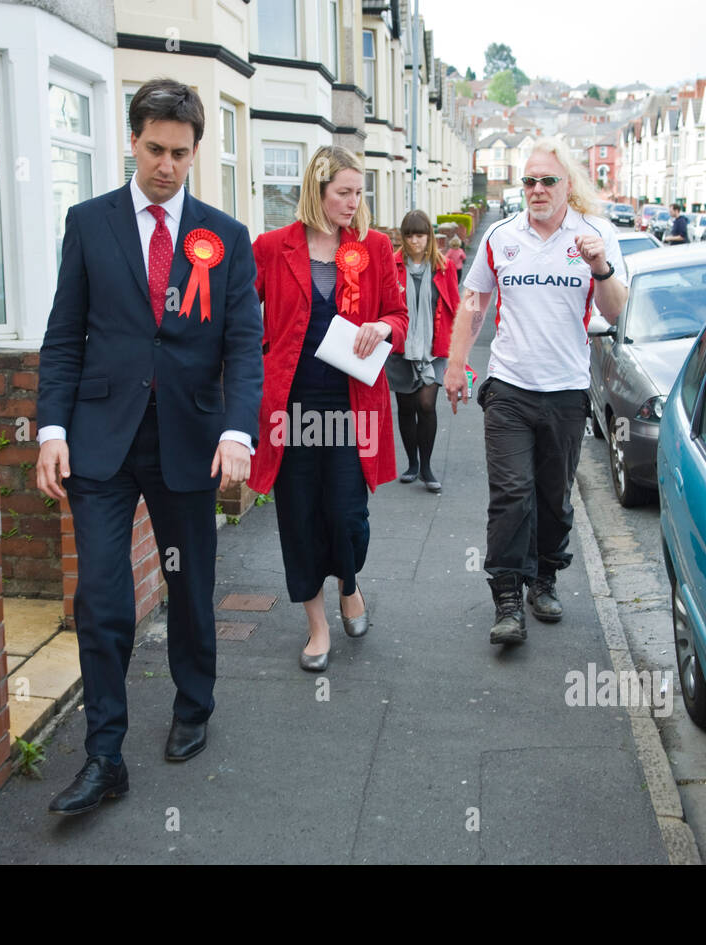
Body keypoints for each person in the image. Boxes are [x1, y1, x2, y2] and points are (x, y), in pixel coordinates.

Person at [35, 78, 263, 814]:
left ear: (197, 152)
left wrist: (236, 430)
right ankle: (105, 755)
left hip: (190, 441)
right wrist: (51, 429)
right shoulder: (89, 223)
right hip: (101, 441)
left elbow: (243, 344)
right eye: (155, 148)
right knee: (102, 597)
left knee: (190, 585)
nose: (167, 164)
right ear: (132, 141)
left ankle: (193, 703)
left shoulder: (224, 237)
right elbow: (64, 335)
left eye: (181, 152)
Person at [444, 138, 628, 646]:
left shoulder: (595, 236)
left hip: (567, 391)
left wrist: (600, 267)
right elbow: (474, 303)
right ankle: (506, 597)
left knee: (552, 498)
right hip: (509, 388)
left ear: (569, 185)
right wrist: (456, 365)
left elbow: (616, 312)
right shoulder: (502, 237)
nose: (538, 189)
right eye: (529, 181)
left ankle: (543, 579)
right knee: (511, 496)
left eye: (548, 180)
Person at [249, 145, 408, 672]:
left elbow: (398, 315)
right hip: (289, 411)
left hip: (351, 406)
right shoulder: (272, 247)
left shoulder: (375, 247)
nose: (353, 201)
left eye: (358, 192)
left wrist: (384, 326)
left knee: (347, 517)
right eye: (343, 192)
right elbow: (240, 319)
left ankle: (350, 583)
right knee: (299, 519)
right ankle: (317, 626)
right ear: (317, 192)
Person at [387, 210, 460, 493]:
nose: (414, 241)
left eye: (420, 235)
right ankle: (412, 463)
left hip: (433, 348)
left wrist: (459, 354)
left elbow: (454, 307)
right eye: (409, 235)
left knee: (426, 405)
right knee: (405, 407)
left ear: (429, 236)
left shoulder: (444, 267)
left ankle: (427, 466)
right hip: (400, 348)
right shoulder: (391, 266)